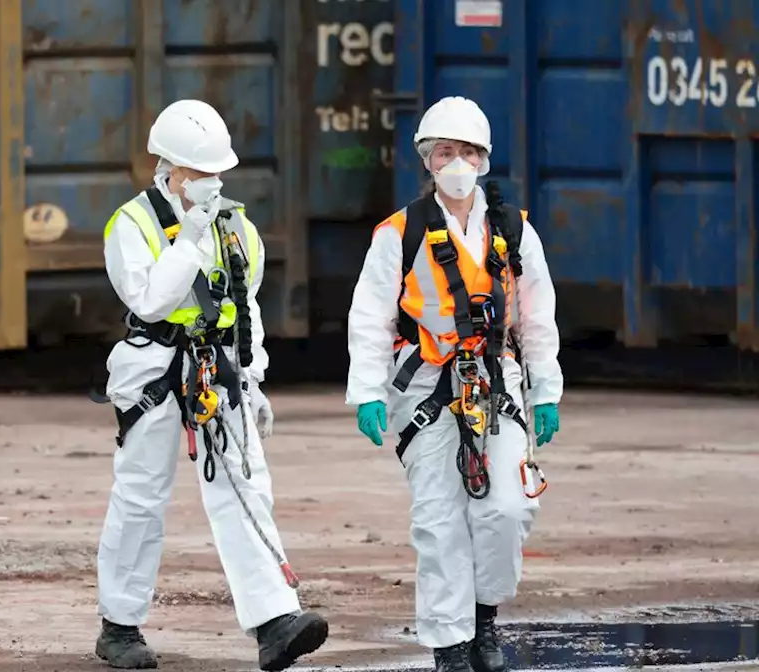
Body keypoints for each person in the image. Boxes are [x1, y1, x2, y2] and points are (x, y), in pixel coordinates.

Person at [92, 99, 329, 671]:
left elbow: (246, 306)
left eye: (217, 173)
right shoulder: (131, 224)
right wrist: (189, 237)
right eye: (199, 174)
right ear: (167, 169)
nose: (210, 184)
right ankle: (119, 626)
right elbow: (153, 299)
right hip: (151, 367)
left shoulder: (237, 226)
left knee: (247, 487)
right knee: (141, 496)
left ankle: (276, 620)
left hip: (216, 368)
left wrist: (254, 379)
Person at [345, 96, 563, 672]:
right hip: (424, 386)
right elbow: (370, 316)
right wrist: (367, 391)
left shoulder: (514, 231)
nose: (457, 162)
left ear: (484, 160)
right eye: (446, 152)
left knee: (509, 508)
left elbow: (537, 315)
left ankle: (484, 617)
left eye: (467, 151)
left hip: (497, 381)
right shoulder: (399, 233)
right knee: (439, 519)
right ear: (428, 161)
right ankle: (450, 644)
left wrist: (545, 390)